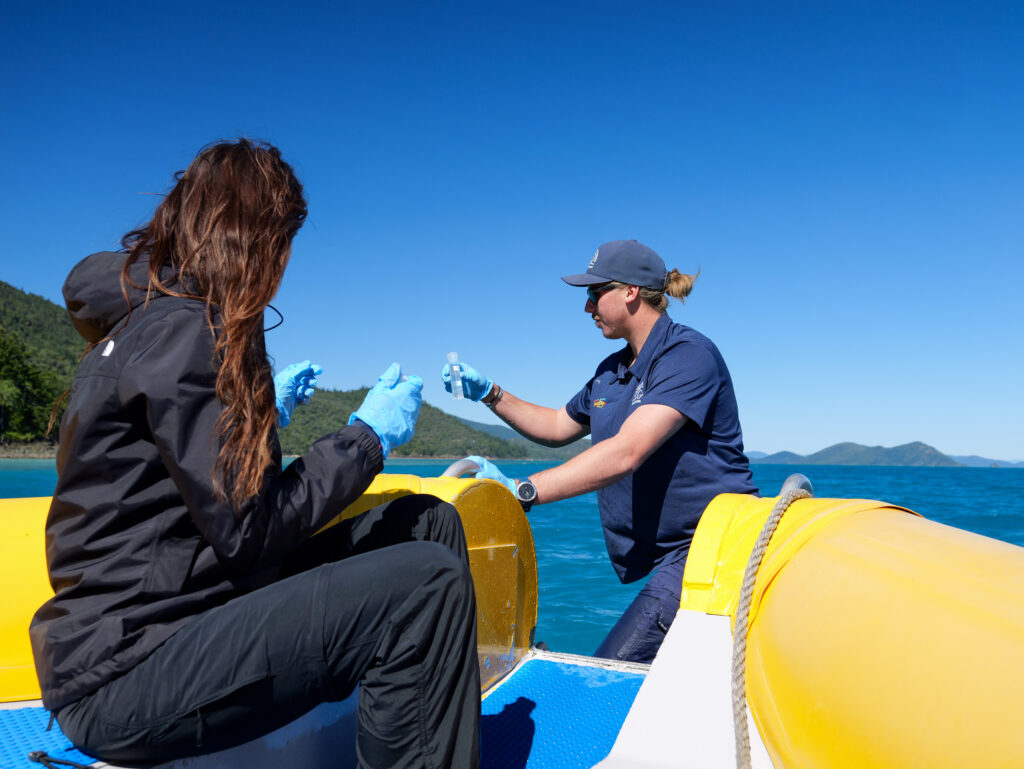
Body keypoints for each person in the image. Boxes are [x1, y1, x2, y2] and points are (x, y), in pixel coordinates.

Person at [30, 139, 480, 768]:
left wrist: (267, 417)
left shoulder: (150, 327)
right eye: (284, 241)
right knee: (425, 587)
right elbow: (251, 533)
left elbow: (187, 486)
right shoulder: (196, 332)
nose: (286, 263)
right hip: (130, 669)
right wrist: (366, 437)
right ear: (255, 237)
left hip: (178, 613)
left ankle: (428, 733)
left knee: (427, 523)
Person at [442, 239, 758, 664]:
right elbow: (557, 425)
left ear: (630, 291)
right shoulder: (612, 372)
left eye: (594, 294)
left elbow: (626, 450)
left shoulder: (688, 355)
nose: (587, 308)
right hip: (672, 557)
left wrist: (523, 490)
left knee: (610, 672)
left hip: (713, 549)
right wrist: (491, 394)